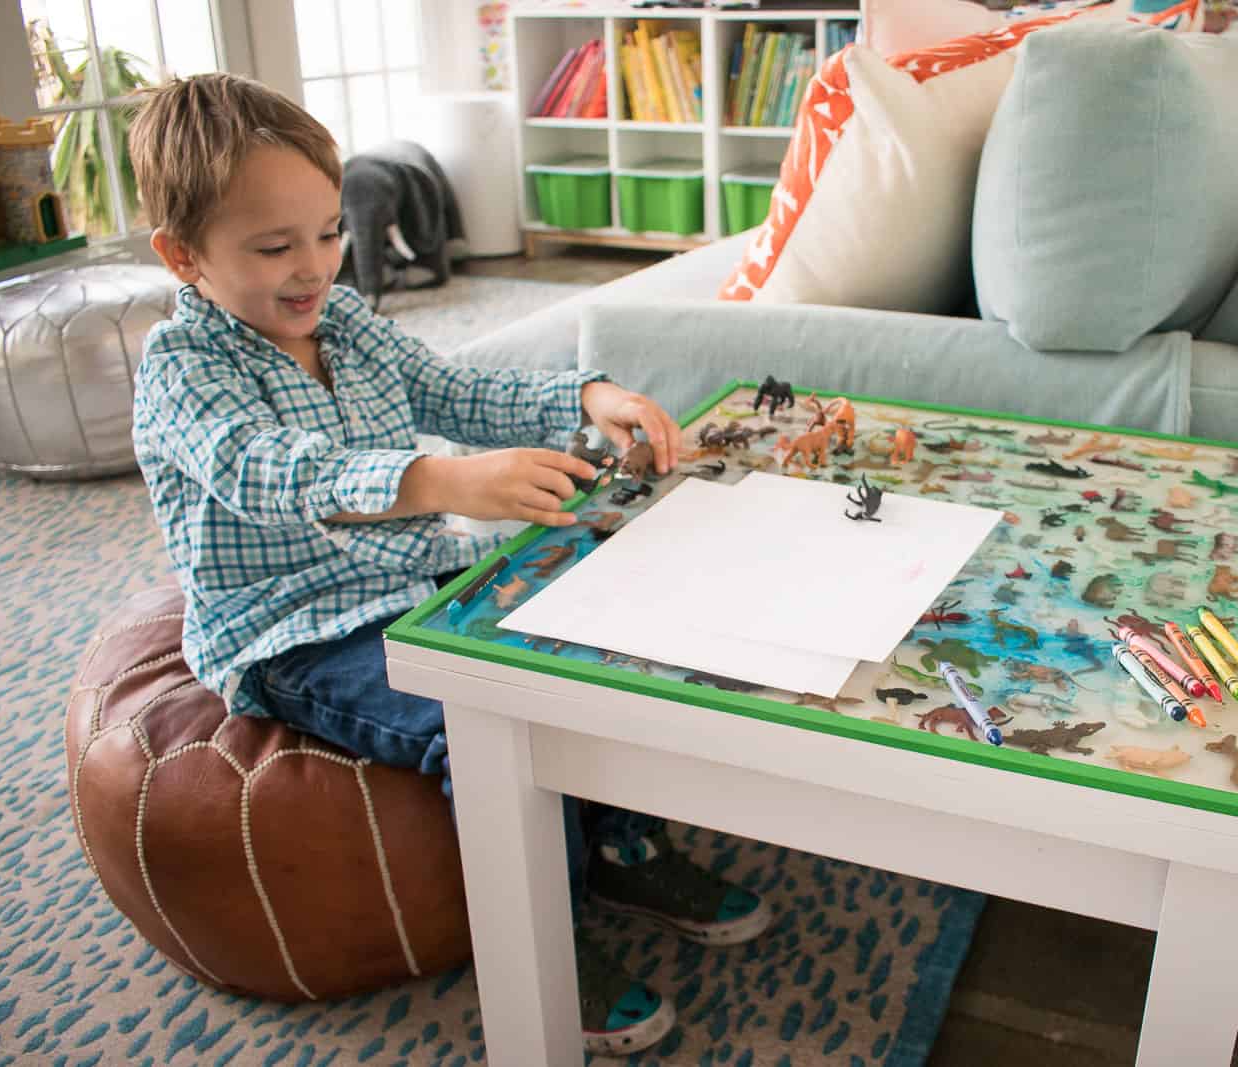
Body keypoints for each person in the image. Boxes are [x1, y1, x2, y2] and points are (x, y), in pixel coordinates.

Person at [127, 73, 768, 1055]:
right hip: (296, 628)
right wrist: (436, 482)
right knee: (484, 722)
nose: (314, 266)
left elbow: (453, 385)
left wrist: (584, 396)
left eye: (329, 231)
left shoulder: (339, 316)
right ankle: (539, 934)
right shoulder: (182, 371)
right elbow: (267, 471)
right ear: (183, 255)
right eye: (273, 246)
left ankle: (623, 845)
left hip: (414, 581)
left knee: (598, 632)